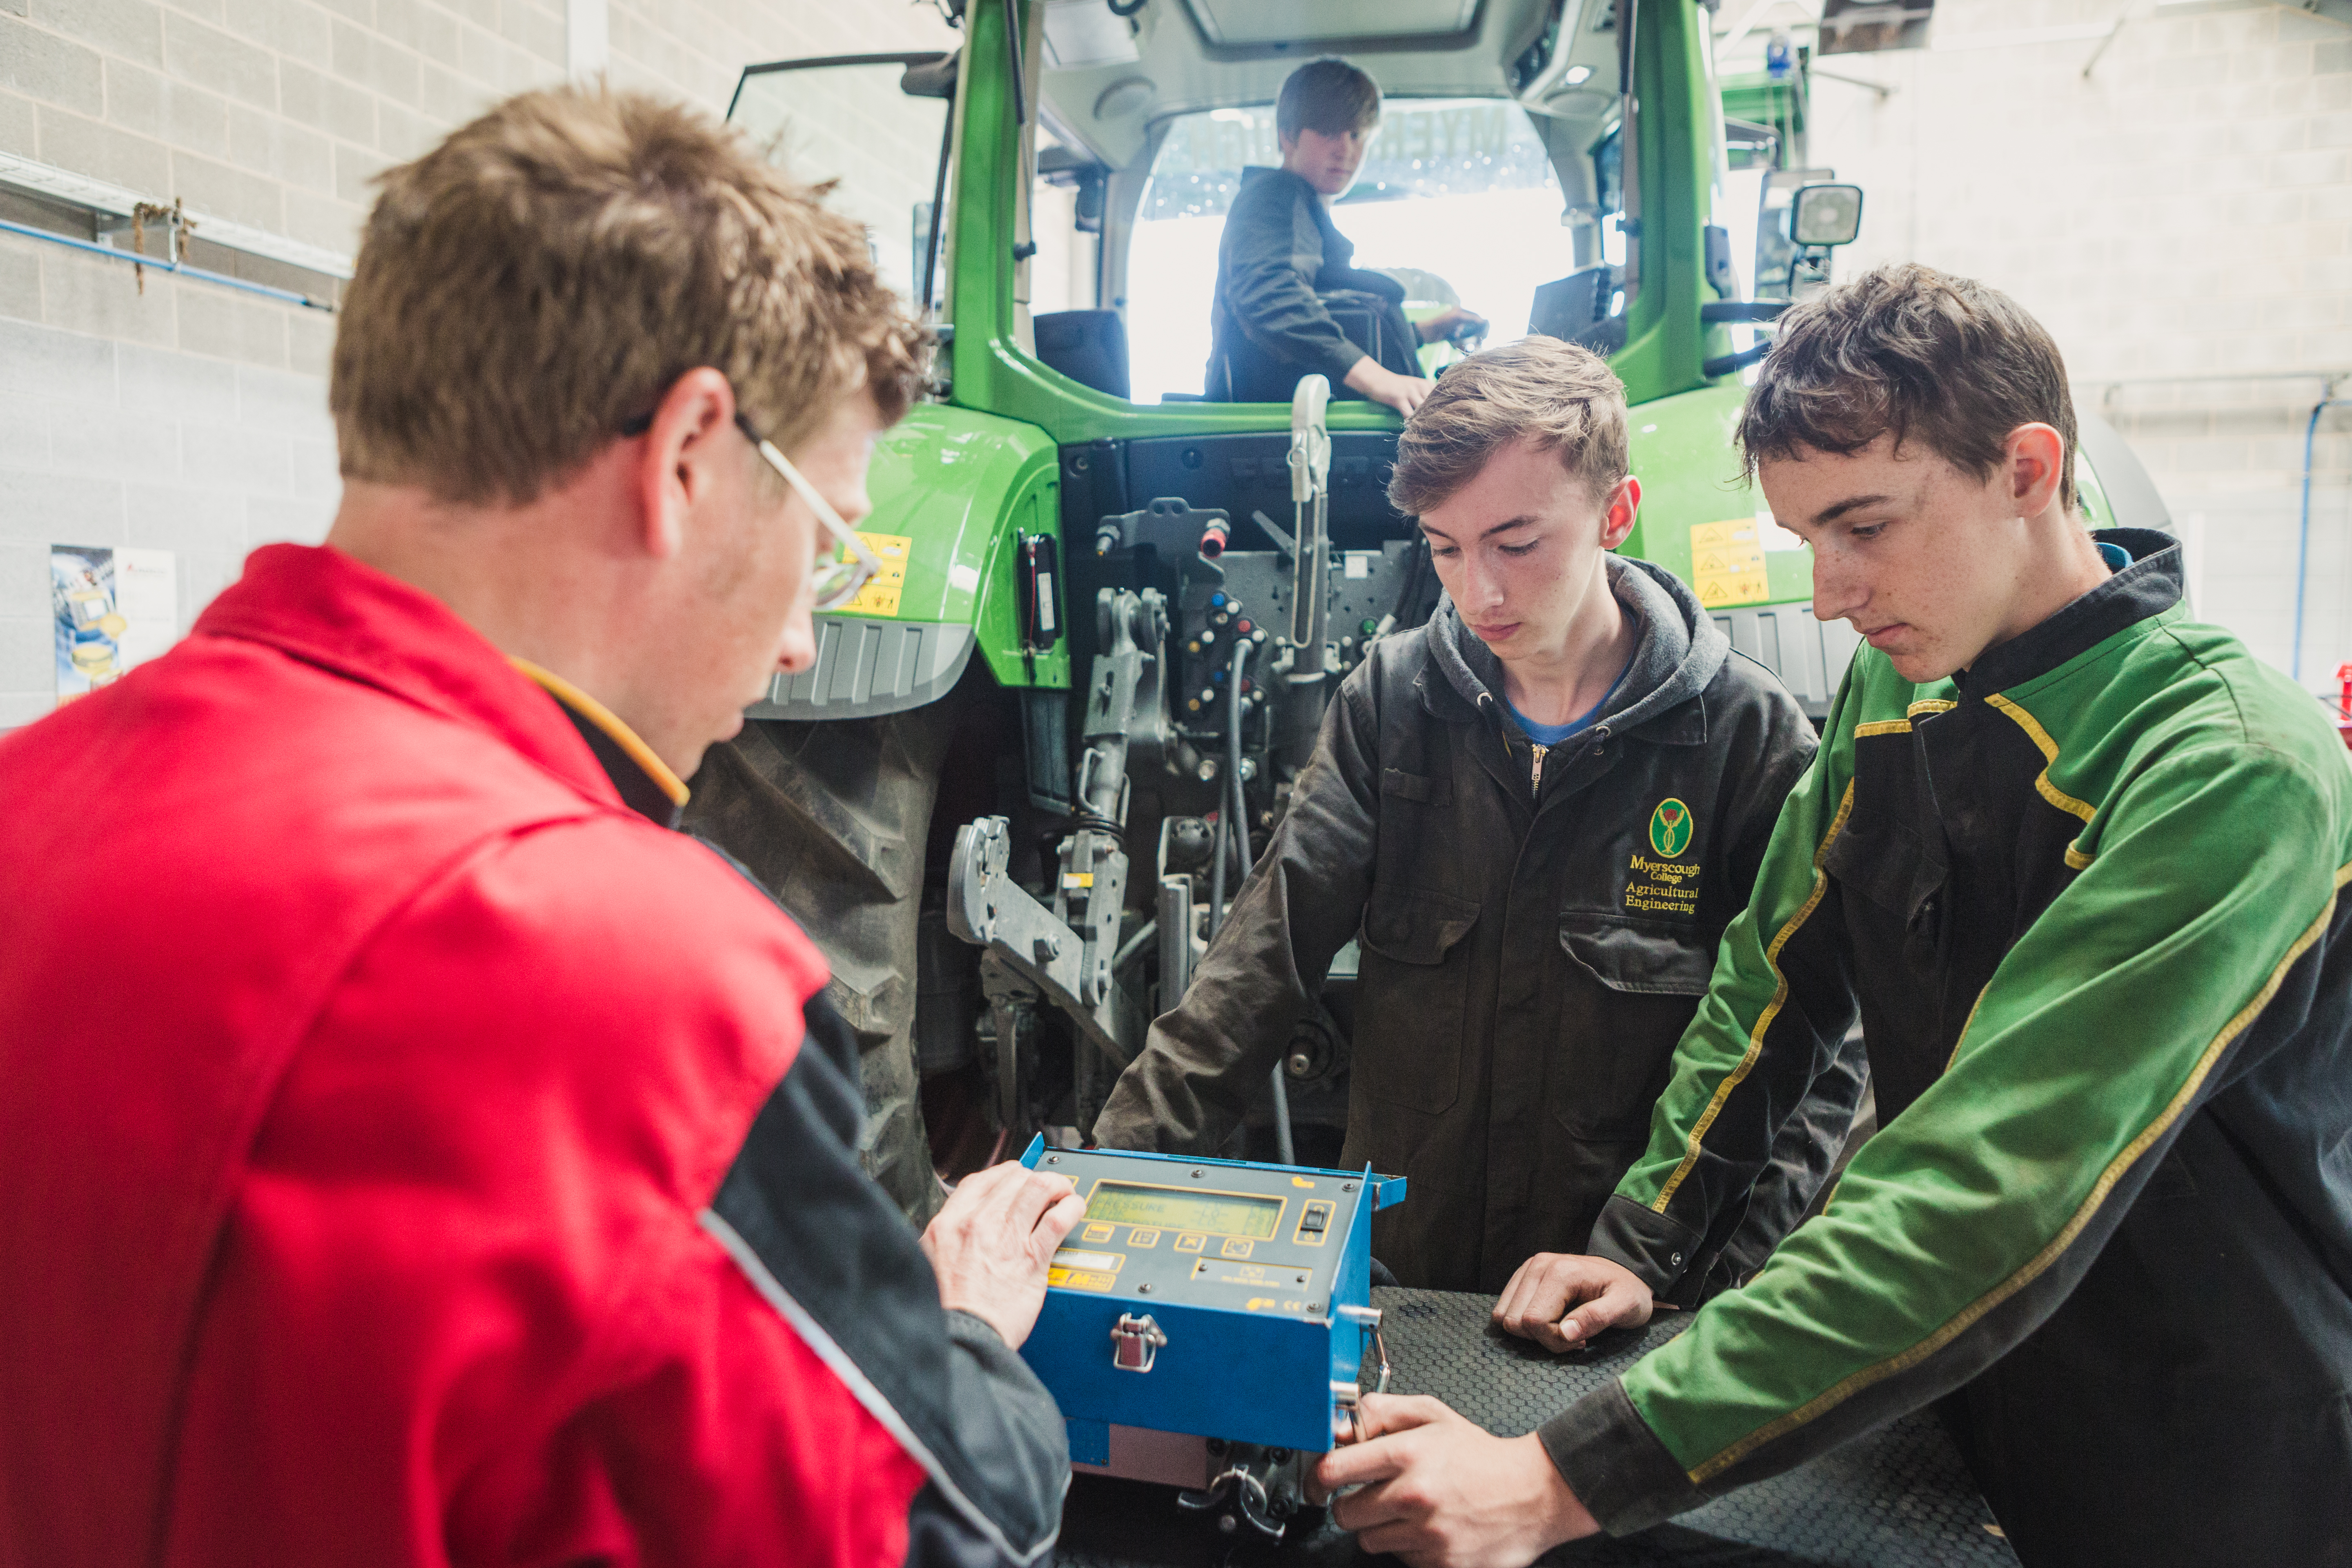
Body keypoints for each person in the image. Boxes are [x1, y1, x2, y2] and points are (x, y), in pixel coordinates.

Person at [0, 88, 1086, 1566]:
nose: (791, 649)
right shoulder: (644, 983)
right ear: (692, 455)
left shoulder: (32, 800)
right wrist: (962, 1342)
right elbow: (931, 1530)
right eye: (825, 548)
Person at [1314, 265, 2352, 1568]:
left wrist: (1557, 1478)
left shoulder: (2224, 768)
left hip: (2203, 1443)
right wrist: (1645, 1238)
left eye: (1866, 527)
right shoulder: (1899, 689)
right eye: (1810, 541)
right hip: (1957, 1393)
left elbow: (1987, 1184)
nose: (1827, 595)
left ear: (2028, 469)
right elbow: (1773, 976)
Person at [1094, 336, 1865, 1294]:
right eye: (1444, 548)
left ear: (1614, 512)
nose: (1479, 593)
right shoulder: (1392, 701)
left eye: (1514, 543)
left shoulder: (1746, 740)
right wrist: (1108, 1178)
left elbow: (1817, 1059)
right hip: (1406, 1280)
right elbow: (1262, 954)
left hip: (1628, 1296)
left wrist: (1701, 1288)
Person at [1207, 56, 1486, 415]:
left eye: (1356, 134)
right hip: (1280, 425)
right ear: (1287, 136)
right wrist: (1379, 379)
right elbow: (1269, 295)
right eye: (1327, 132)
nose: (1346, 150)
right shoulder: (1275, 194)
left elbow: (1325, 327)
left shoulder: (1304, 208)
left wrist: (1423, 331)